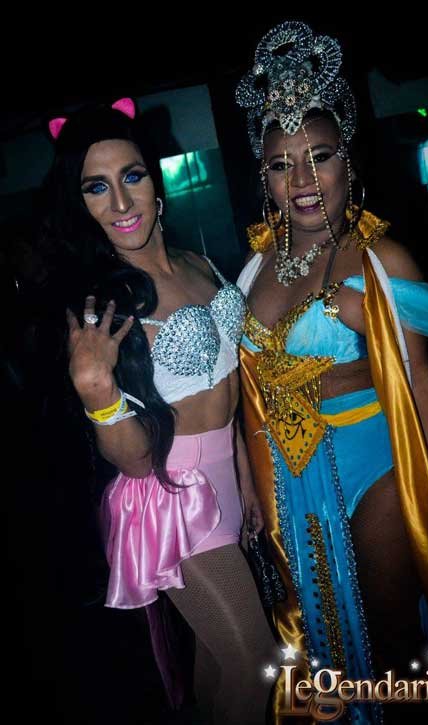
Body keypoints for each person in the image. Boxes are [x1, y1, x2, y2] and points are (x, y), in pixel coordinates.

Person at [235, 21, 428, 723]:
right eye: (281, 164)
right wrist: (253, 482)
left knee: (390, 629)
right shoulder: (253, 270)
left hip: (379, 461)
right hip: (296, 476)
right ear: (264, 178)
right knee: (332, 638)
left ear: (348, 160)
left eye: (320, 156)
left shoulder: (384, 261)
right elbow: (248, 392)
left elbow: (422, 381)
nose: (303, 181)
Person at [40, 98, 276, 725]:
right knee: (257, 662)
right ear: (80, 205)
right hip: (171, 498)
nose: (121, 203)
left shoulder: (199, 263)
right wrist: (96, 390)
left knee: (219, 665)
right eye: (96, 187)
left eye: (132, 176)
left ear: (156, 180)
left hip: (228, 480)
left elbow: (230, 382)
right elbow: (136, 462)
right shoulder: (103, 306)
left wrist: (246, 473)